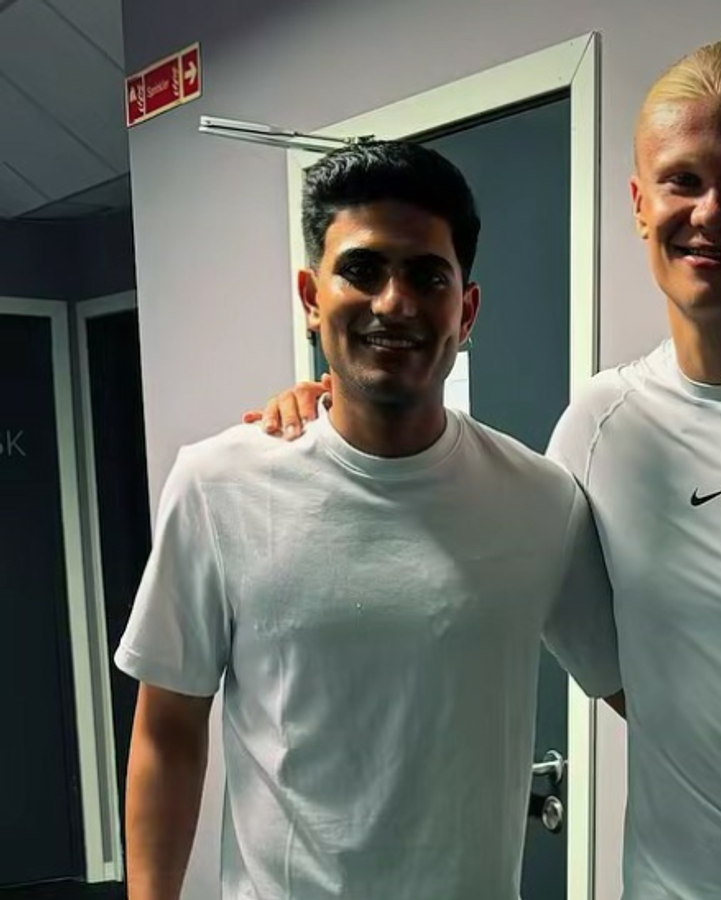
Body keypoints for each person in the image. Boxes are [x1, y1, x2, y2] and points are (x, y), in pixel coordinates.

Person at [251, 41, 721, 900]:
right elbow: (635, 683)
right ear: (639, 205)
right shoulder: (595, 427)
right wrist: (334, 415)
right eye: (683, 180)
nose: (713, 211)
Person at [117, 139, 621, 900]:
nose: (394, 302)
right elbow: (168, 732)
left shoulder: (541, 500)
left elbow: (639, 687)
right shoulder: (217, 486)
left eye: (427, 275)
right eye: (362, 270)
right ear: (310, 296)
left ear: (466, 310)